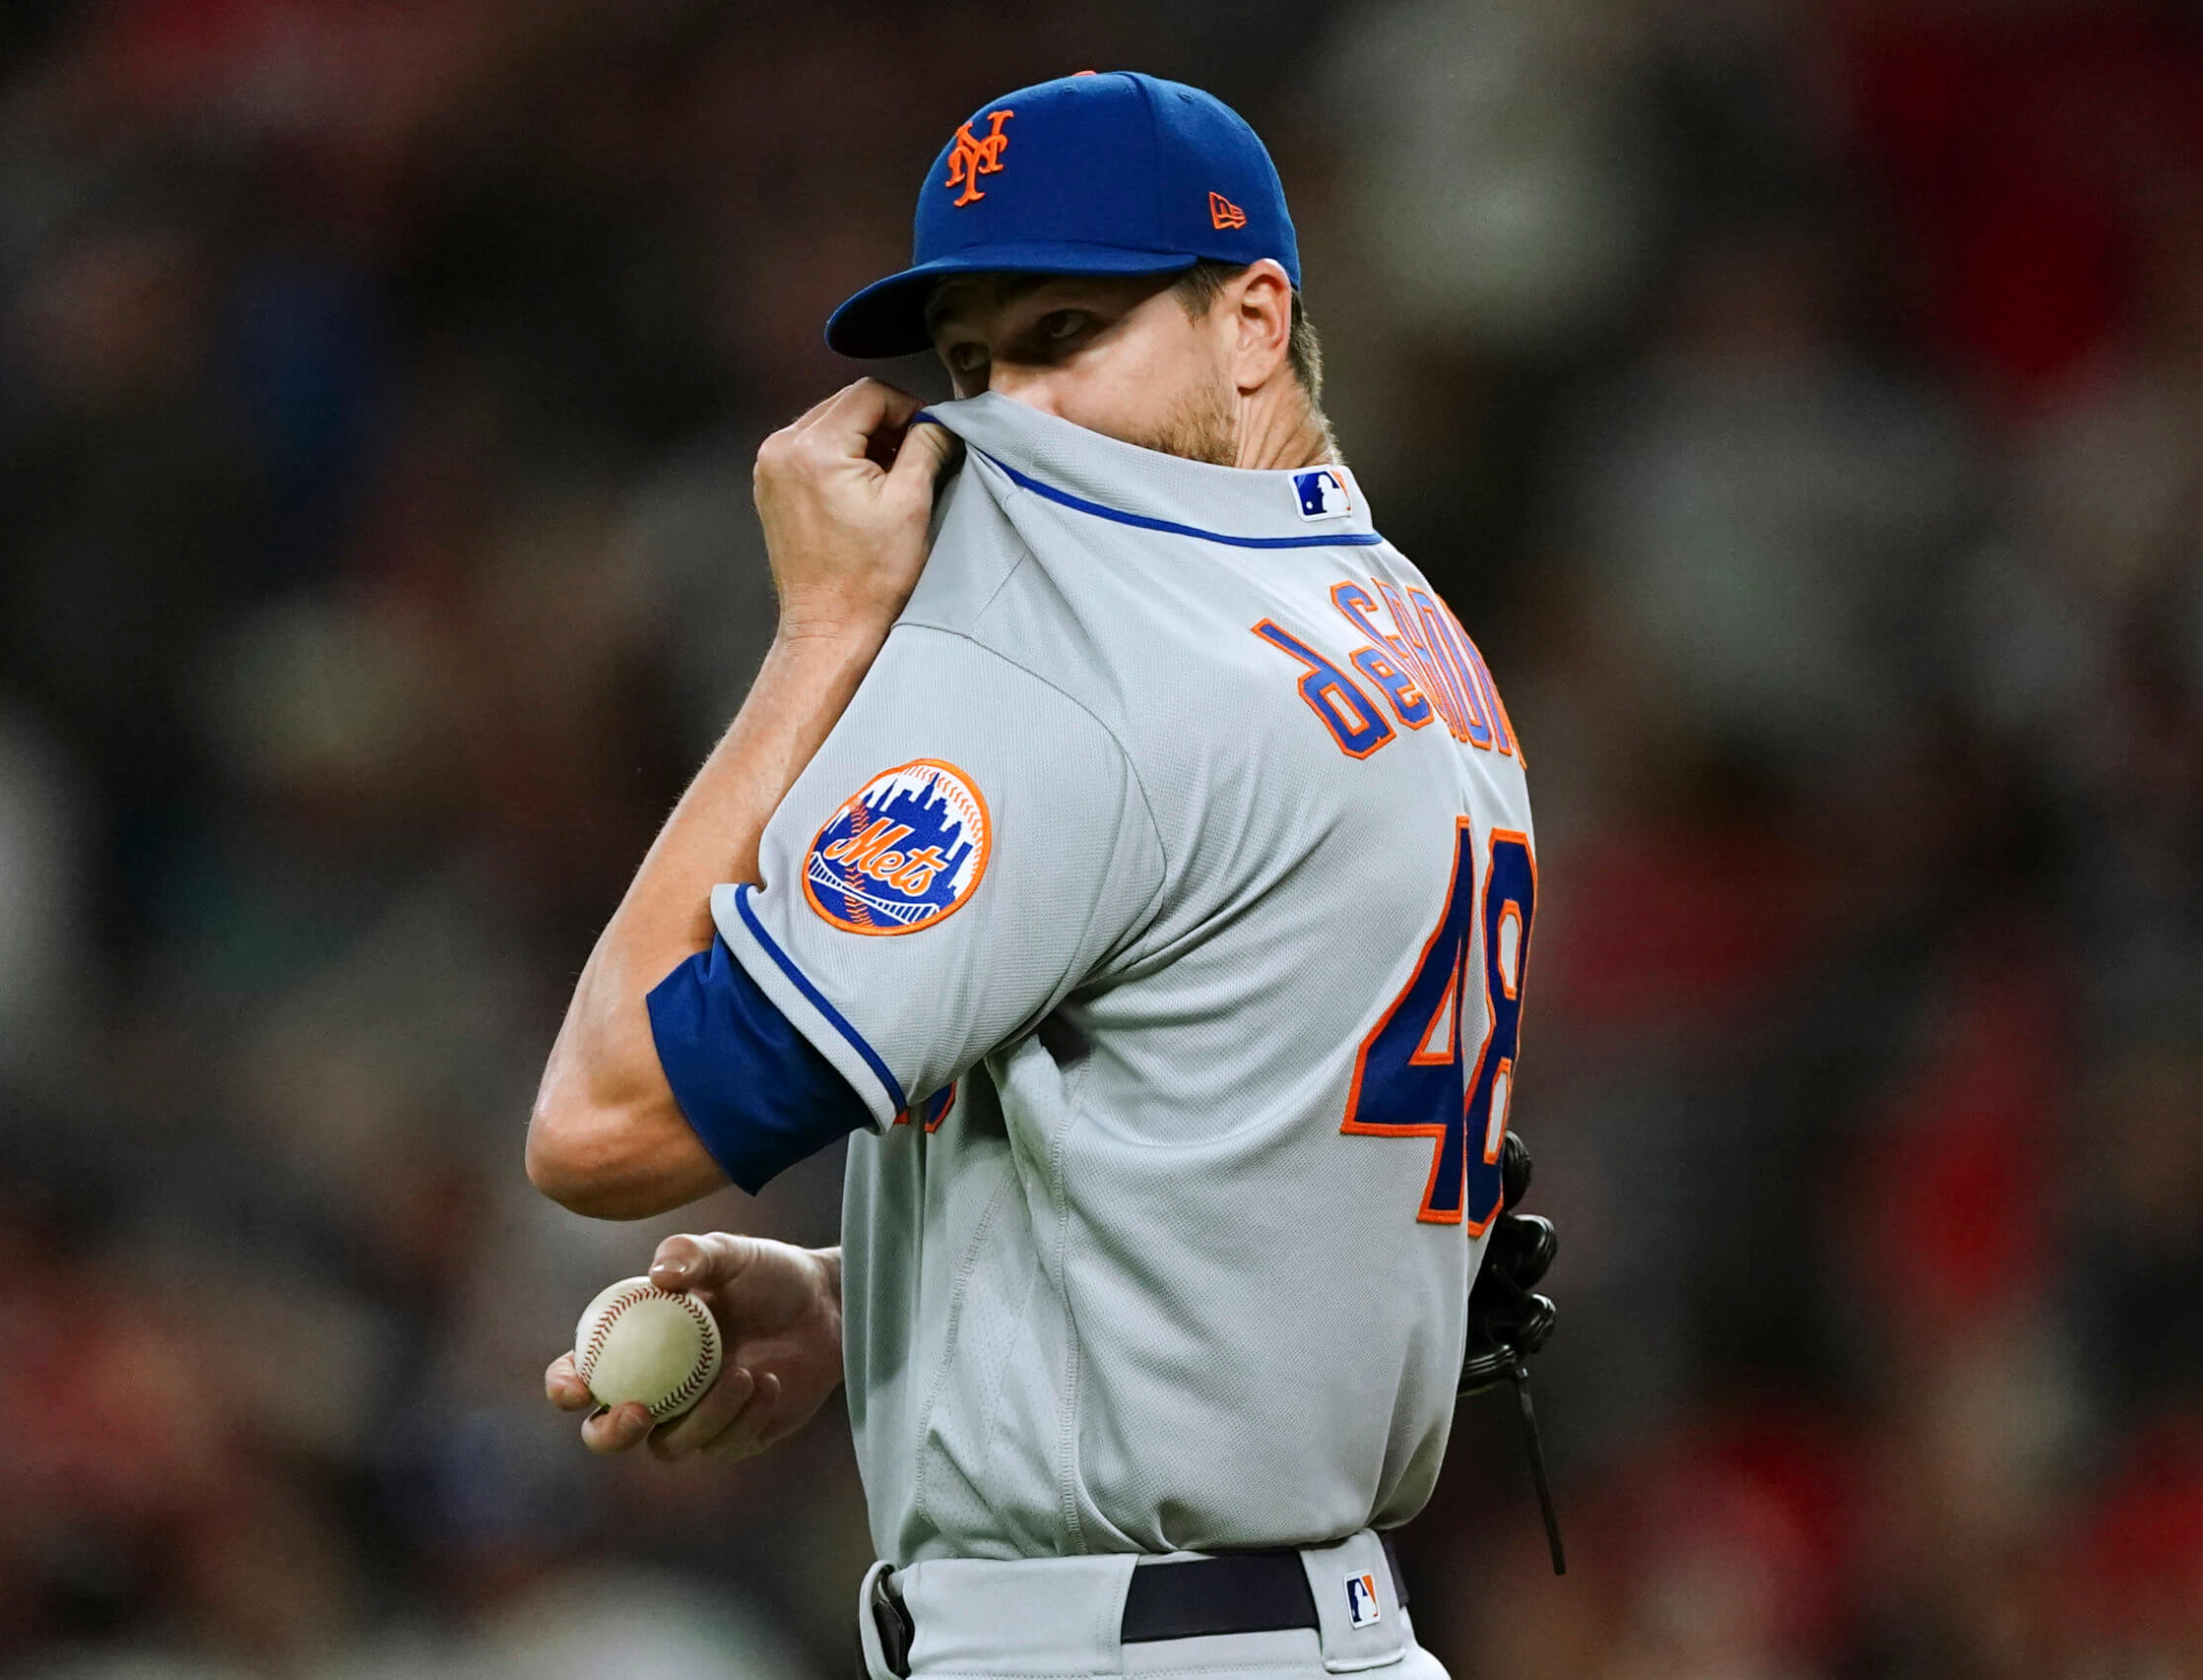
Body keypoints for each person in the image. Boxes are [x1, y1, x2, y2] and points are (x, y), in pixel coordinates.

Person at [526, 70, 1555, 1680]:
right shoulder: (1400, 627)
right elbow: (1223, 1156)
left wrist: (818, 635)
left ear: (1253, 322)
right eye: (972, 363)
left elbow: (600, 1121)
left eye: (1069, 333)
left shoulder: (1096, 656)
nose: (1009, 413)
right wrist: (868, 1296)